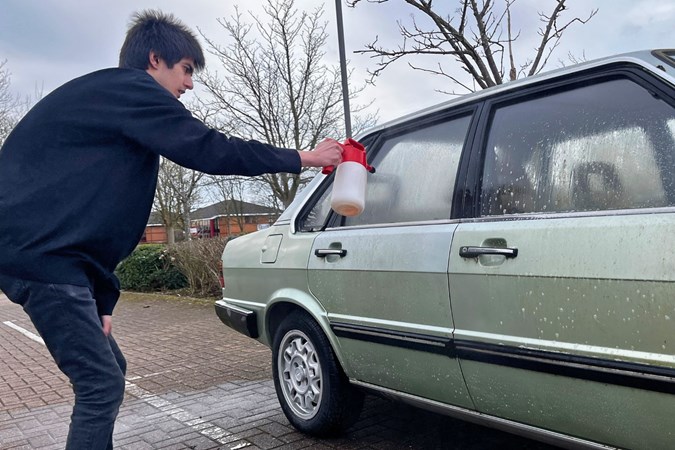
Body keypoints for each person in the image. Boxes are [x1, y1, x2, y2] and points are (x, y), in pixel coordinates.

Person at [0, 9, 342, 450]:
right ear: (154, 59)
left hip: (48, 257)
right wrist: (304, 157)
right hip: (42, 260)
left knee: (110, 369)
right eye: (185, 70)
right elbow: (208, 149)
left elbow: (92, 219)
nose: (189, 85)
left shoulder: (113, 110)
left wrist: (102, 297)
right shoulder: (132, 90)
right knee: (100, 385)